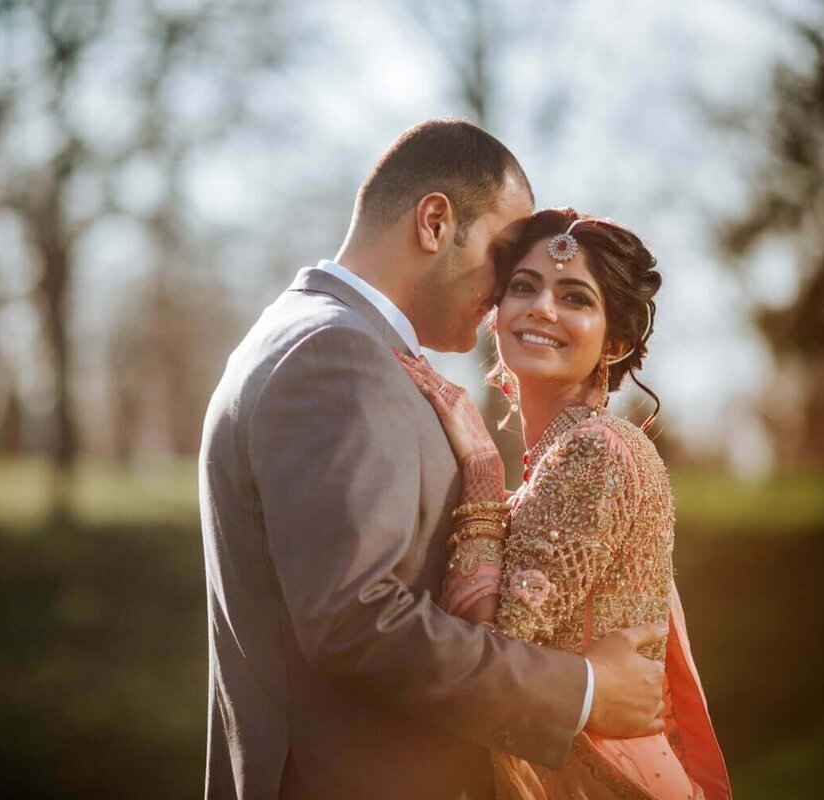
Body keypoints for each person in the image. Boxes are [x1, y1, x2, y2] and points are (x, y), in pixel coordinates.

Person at [199, 120, 668, 800]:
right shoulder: (337, 356)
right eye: (506, 261)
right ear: (436, 222)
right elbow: (357, 619)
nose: (506, 292)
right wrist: (586, 690)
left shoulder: (309, 339)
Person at [397, 208, 732, 799]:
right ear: (497, 309)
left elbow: (497, 657)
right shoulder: (574, 453)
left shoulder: (594, 452)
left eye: (575, 298)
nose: (542, 308)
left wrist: (479, 473)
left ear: (617, 340)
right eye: (524, 287)